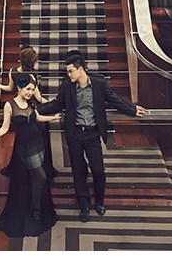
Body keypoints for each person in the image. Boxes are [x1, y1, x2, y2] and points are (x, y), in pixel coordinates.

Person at [37, 50, 146, 223]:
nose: (68, 74)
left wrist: (132, 109)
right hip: (75, 134)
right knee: (78, 171)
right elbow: (58, 103)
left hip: (93, 134)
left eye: (70, 71)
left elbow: (114, 100)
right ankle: (84, 205)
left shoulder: (99, 84)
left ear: (80, 69)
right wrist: (35, 111)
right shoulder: (67, 85)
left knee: (98, 171)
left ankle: (100, 201)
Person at [0, 73, 60, 237]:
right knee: (41, 176)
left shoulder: (30, 103)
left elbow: (37, 118)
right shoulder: (9, 105)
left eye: (32, 89)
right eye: (28, 89)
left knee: (35, 175)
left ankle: (35, 203)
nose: (31, 92)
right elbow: (4, 128)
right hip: (24, 147)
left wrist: (53, 117)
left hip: (38, 143)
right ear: (19, 87)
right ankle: (36, 206)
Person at [0, 45, 58, 180]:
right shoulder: (31, 76)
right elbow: (38, 98)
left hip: (20, 110)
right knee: (35, 146)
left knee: (21, 143)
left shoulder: (13, 71)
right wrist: (53, 104)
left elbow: (10, 88)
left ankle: (19, 169)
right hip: (31, 110)